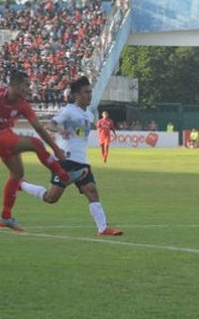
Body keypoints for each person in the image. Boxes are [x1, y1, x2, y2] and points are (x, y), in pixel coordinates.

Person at [0, 70, 84, 232]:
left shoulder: (22, 104)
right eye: (26, 85)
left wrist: (56, 148)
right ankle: (64, 175)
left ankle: (5, 216)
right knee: (35, 144)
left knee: (17, 175)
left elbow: (38, 127)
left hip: (6, 136)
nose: (28, 89)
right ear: (15, 85)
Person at [19, 77, 123, 236]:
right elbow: (50, 125)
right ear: (76, 94)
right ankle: (22, 185)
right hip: (65, 160)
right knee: (51, 197)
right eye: (86, 92)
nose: (89, 95)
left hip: (81, 160)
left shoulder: (89, 114)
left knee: (92, 190)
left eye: (90, 92)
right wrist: (60, 130)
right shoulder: (68, 110)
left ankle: (102, 228)